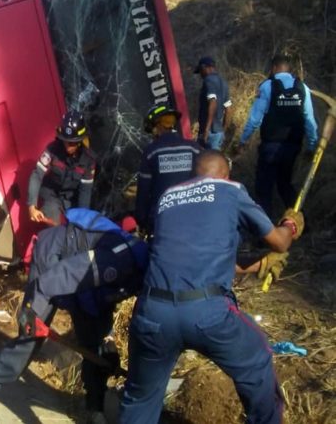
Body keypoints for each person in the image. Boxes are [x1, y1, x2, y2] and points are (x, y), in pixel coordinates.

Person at [119, 150, 304, 424]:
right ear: (226, 175)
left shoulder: (167, 198)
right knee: (257, 356)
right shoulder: (231, 191)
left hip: (153, 313)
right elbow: (278, 242)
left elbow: (192, 259)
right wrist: (291, 225)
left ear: (195, 175)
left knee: (140, 397)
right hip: (208, 315)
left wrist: (256, 266)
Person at [0, 208, 149, 424]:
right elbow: (64, 275)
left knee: (98, 346)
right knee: (32, 336)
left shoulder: (143, 272)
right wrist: (32, 310)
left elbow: (105, 297)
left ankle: (94, 408)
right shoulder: (119, 261)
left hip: (83, 279)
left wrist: (107, 337)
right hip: (54, 258)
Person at [237, 54, 318, 218]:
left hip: (271, 146)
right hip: (293, 146)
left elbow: (255, 119)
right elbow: (310, 121)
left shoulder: (267, 86)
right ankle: (301, 223)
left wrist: (243, 141)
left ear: (274, 68)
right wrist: (311, 146)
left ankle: (264, 232)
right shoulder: (303, 87)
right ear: (289, 69)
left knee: (264, 187)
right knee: (284, 184)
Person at [135, 104, 202, 235]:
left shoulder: (151, 152)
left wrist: (141, 220)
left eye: (151, 129)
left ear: (157, 126)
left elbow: (143, 192)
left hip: (161, 221)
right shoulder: (194, 148)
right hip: (192, 218)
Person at [28, 110, 97, 224]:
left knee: (76, 229)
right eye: (65, 141)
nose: (67, 147)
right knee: (54, 222)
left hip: (71, 200)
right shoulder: (52, 150)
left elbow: (85, 192)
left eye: (72, 143)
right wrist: (32, 205)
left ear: (80, 141)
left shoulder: (88, 161)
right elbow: (37, 175)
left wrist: (82, 218)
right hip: (52, 195)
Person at [194, 56, 233, 150]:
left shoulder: (208, 81)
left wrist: (207, 129)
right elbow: (229, 109)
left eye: (200, 71)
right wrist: (223, 129)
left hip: (209, 132)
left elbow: (213, 102)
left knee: (206, 162)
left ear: (204, 68)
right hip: (218, 132)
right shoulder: (224, 82)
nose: (201, 75)